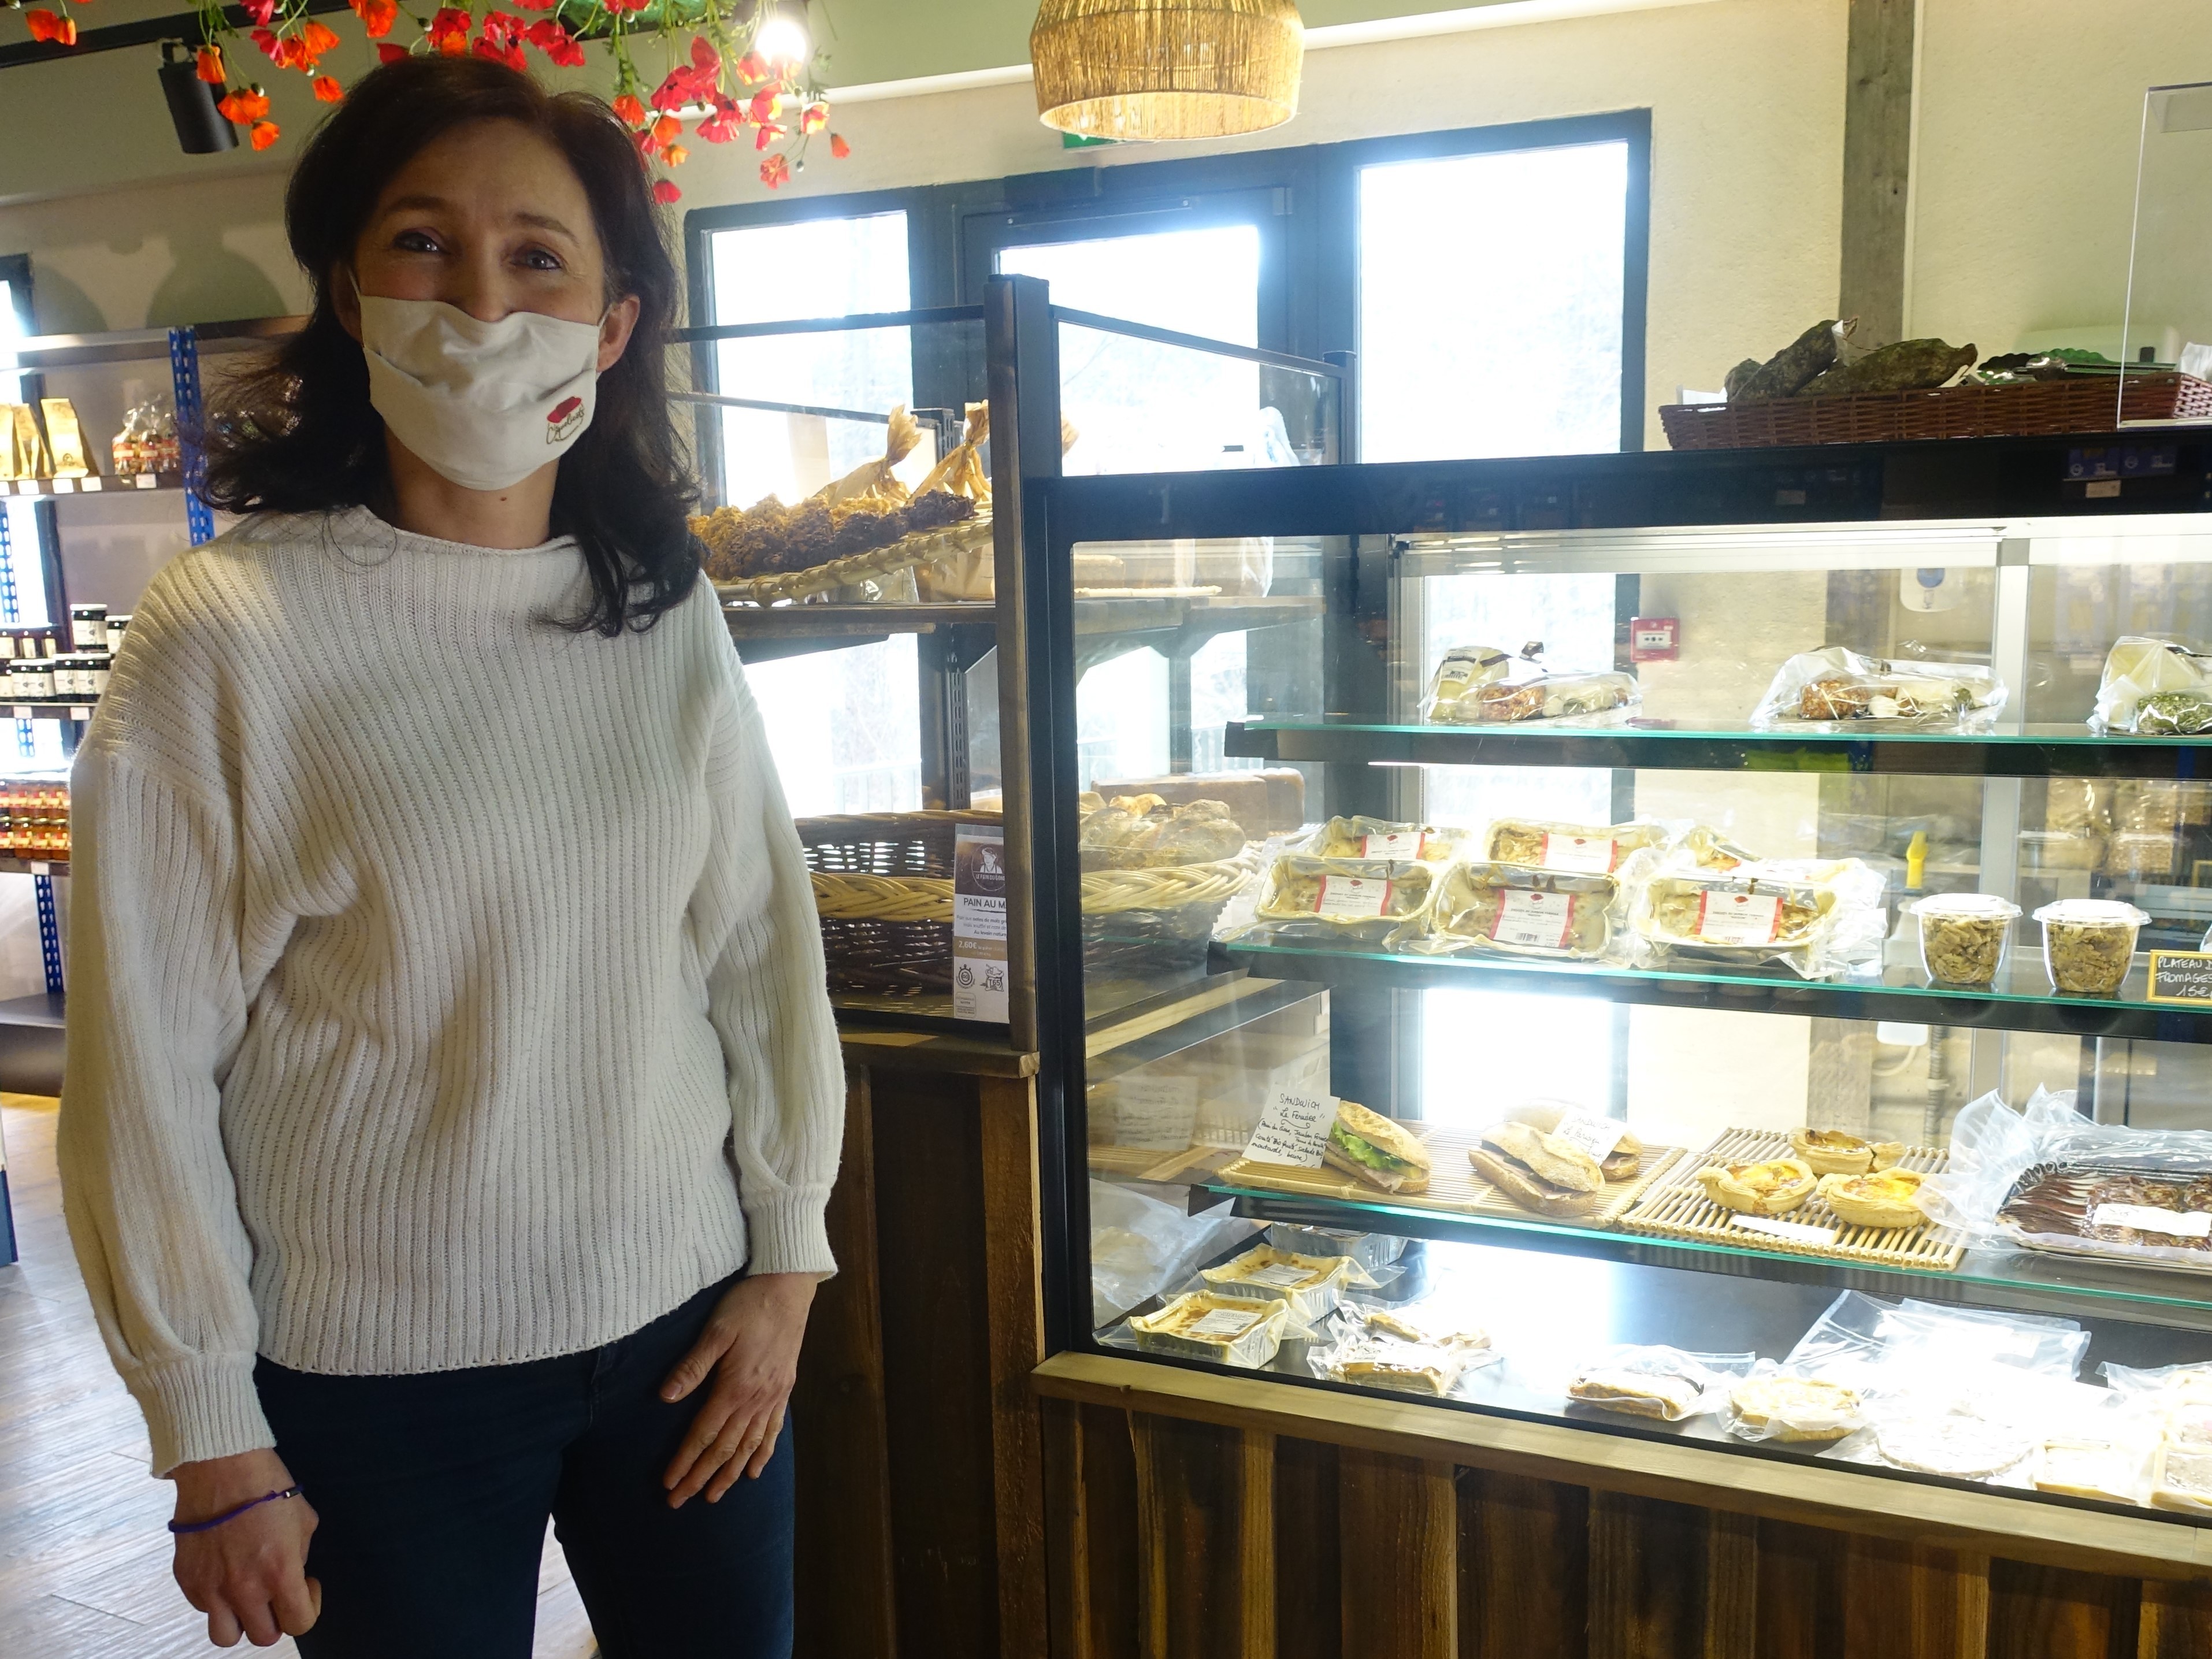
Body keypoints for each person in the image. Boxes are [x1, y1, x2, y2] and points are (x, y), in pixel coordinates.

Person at [55, 54, 842, 1658]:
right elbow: (141, 1057)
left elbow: (759, 949)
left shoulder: (656, 605)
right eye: (423, 244)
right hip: (379, 1382)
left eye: (538, 256)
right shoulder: (226, 632)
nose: (482, 302)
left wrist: (785, 1266)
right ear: (348, 291)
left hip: (686, 1326)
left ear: (612, 325)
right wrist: (209, 1430)